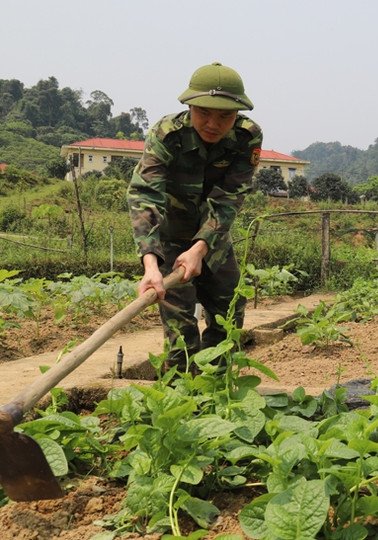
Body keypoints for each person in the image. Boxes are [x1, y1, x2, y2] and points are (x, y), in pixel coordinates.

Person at [127, 62, 263, 373]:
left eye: (224, 116)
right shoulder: (167, 135)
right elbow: (146, 195)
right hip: (169, 238)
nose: (213, 123)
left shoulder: (247, 137)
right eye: (203, 113)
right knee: (180, 324)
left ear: (237, 114)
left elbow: (229, 199)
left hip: (212, 236)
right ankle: (179, 396)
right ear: (190, 106)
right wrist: (151, 265)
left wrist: (200, 248)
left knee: (229, 311)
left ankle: (216, 387)